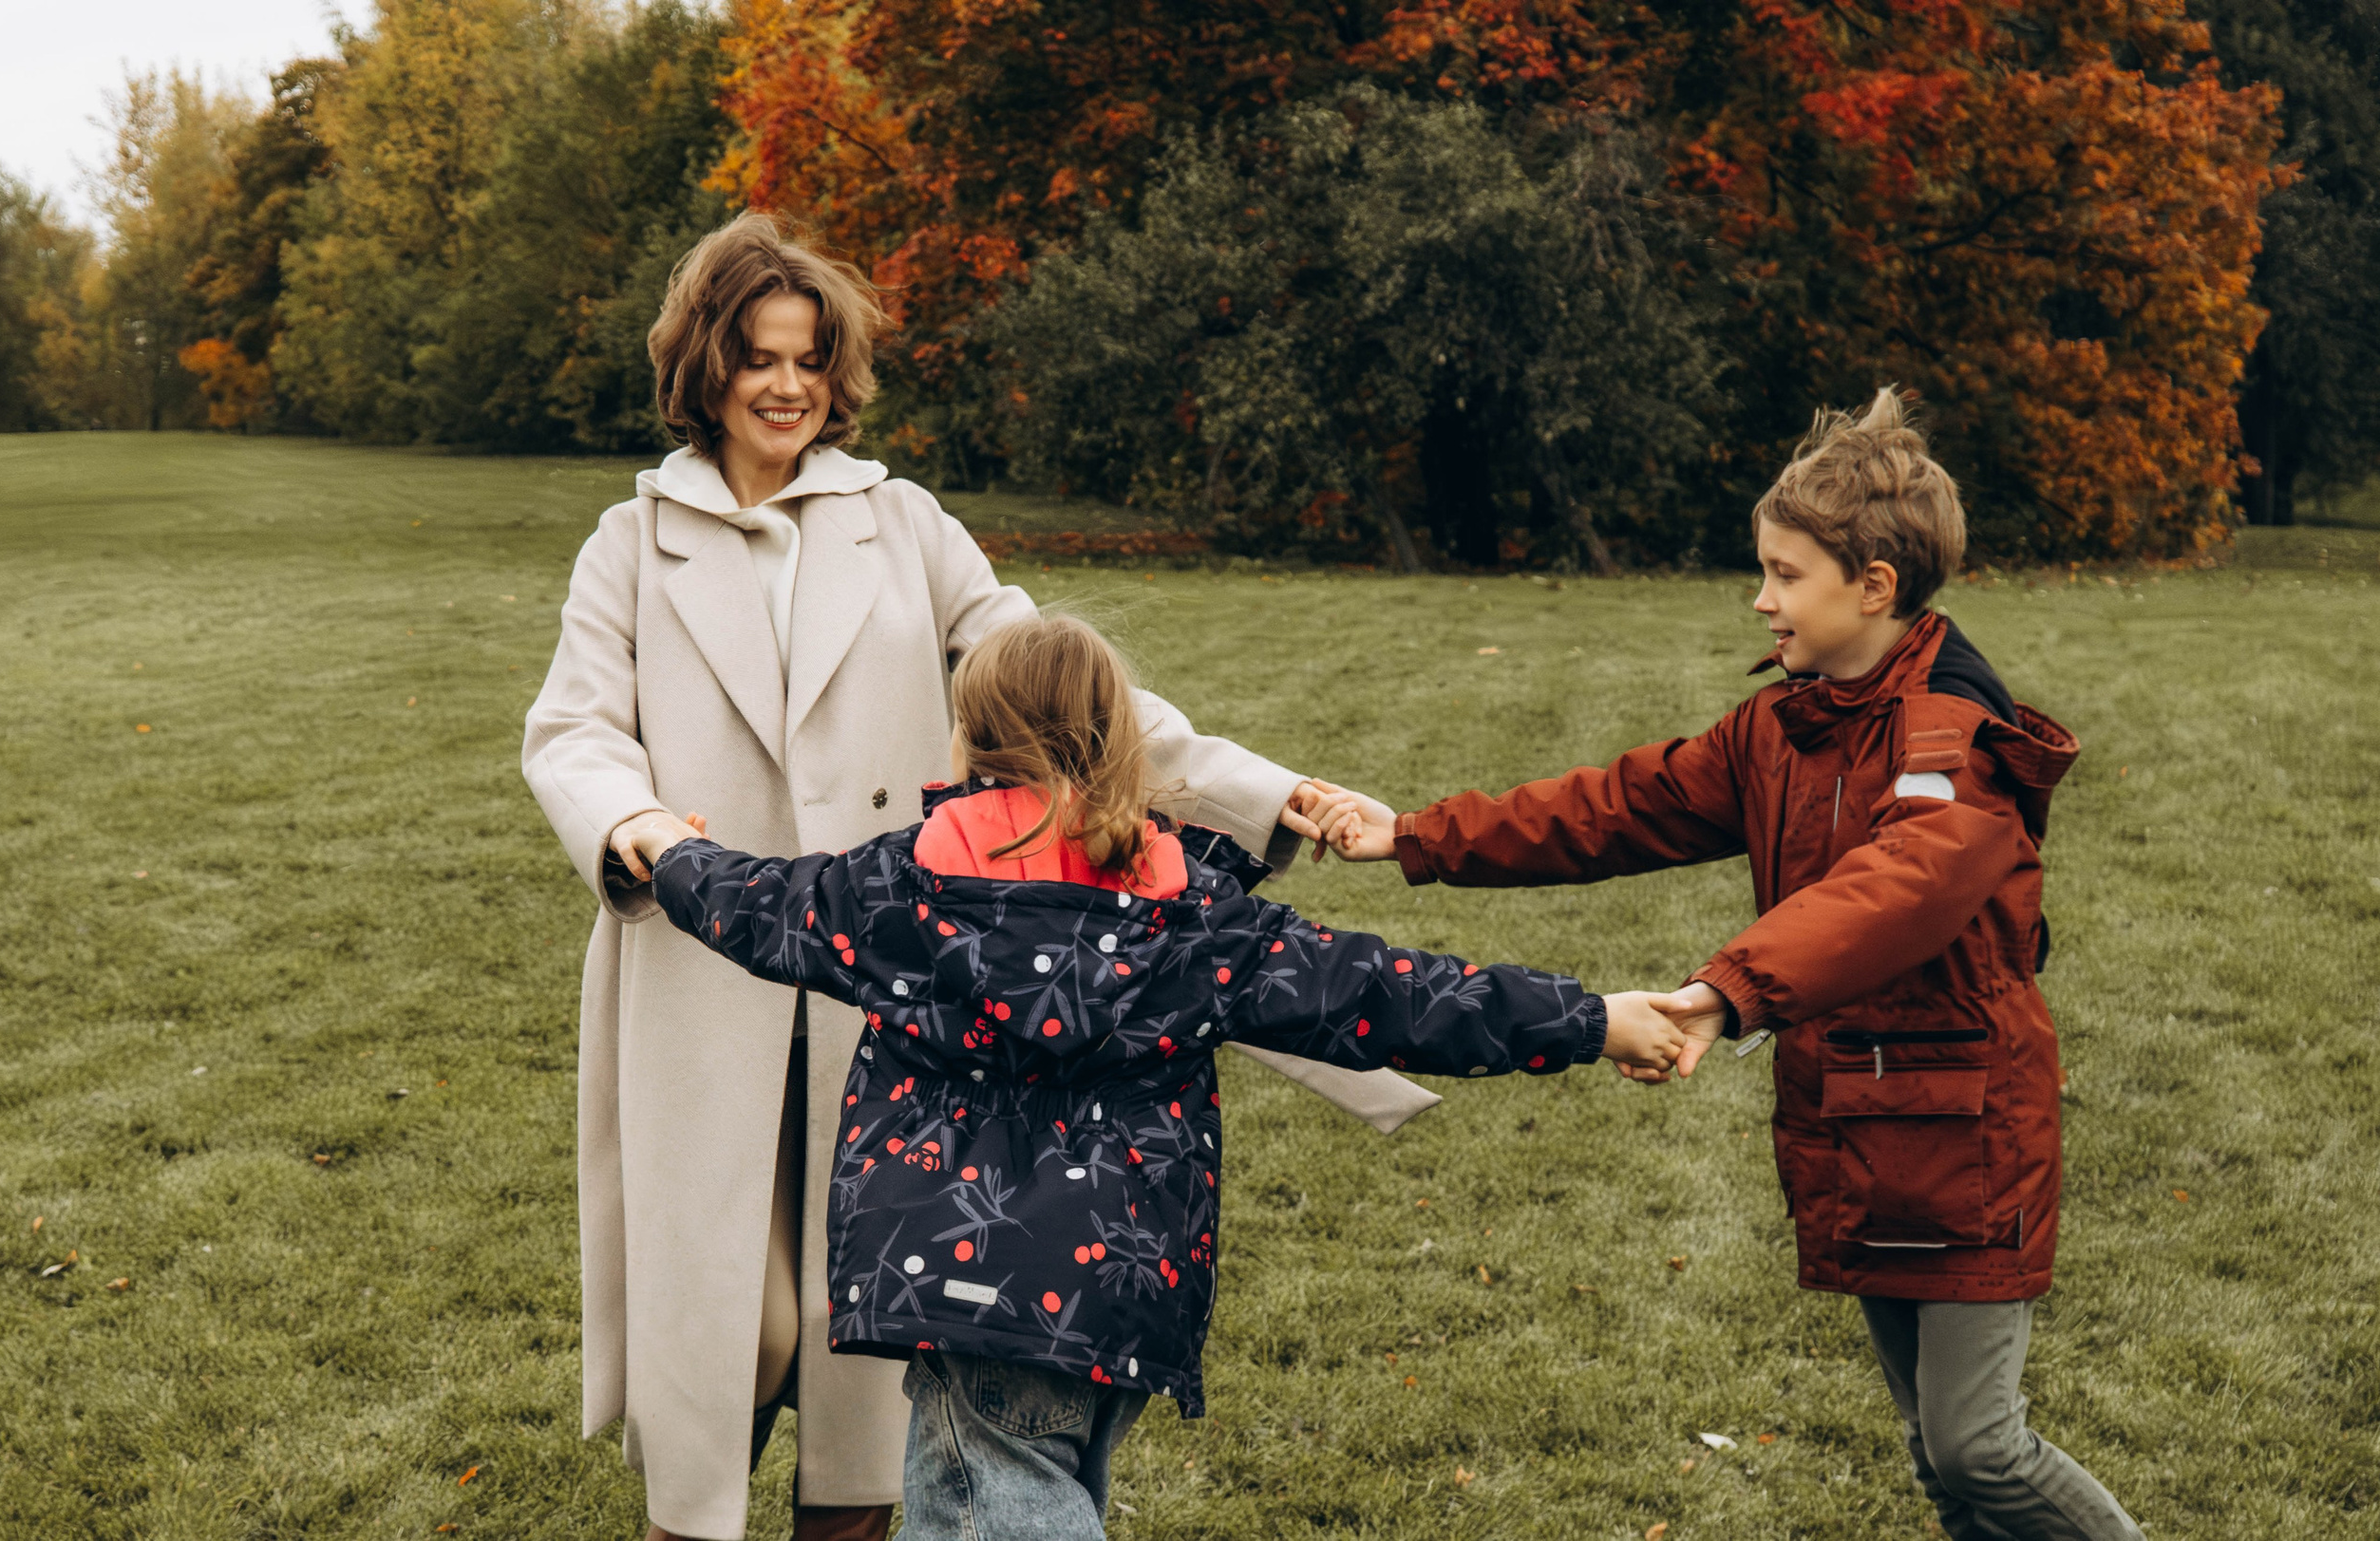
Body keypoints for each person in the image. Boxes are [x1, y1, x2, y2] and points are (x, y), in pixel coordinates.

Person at [520, 212, 1431, 1541]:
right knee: (731, 1331)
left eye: (810, 362)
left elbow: (1069, 691)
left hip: (899, 967)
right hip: (702, 963)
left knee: (860, 1347)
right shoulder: (629, 542)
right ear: (705, 368)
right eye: (759, 358)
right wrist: (641, 829)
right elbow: (573, 729)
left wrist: (1268, 790)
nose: (787, 387)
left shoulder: (902, 522)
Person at [613, 611, 1691, 1541]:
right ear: (1117, 742)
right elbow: (1392, 994)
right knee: (1005, 1500)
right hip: (1124, 1293)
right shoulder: (1194, 916)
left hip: (958, 1285)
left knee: (993, 1504)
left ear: (968, 738)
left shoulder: (897, 893)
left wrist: (662, 847)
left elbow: (752, 902)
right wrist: (1592, 1021)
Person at [1303, 390, 2141, 1541]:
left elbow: (1890, 892)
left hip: (1966, 1129)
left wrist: (1724, 992)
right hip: (1859, 1114)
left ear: (1874, 588)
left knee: (1979, 1445)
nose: (1762, 599)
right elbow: (1617, 807)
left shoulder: (1954, 747)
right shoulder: (1789, 725)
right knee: (1938, 1459)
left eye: (1785, 575)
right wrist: (1418, 833)